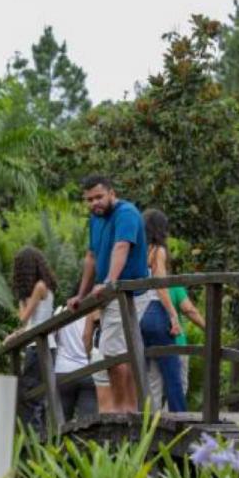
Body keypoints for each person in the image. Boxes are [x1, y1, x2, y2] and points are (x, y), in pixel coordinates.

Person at [68, 175, 154, 412]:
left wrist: (109, 282)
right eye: (89, 199)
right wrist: (81, 295)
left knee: (112, 352)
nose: (94, 203)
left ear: (111, 193)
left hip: (128, 292)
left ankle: (124, 410)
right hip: (111, 294)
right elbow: (91, 257)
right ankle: (127, 409)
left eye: (99, 197)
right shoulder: (96, 220)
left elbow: (122, 246)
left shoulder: (126, 213)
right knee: (118, 352)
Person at [139, 209, 186, 413]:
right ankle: (180, 419)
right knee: (172, 373)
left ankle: (149, 423)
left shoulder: (137, 251)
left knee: (148, 375)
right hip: (155, 312)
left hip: (137, 313)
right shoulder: (158, 250)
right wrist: (173, 315)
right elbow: (160, 284)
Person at [12, 246, 57, 435]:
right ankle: (41, 440)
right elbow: (30, 323)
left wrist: (21, 299)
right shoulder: (46, 285)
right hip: (46, 346)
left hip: (37, 347)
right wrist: (15, 335)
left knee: (30, 398)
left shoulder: (38, 287)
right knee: (38, 398)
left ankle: (34, 444)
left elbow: (23, 317)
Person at [54, 305, 97, 419]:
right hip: (86, 369)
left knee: (62, 421)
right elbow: (87, 337)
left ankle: (60, 436)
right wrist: (88, 356)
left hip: (62, 370)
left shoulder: (61, 310)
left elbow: (51, 338)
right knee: (87, 421)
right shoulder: (91, 310)